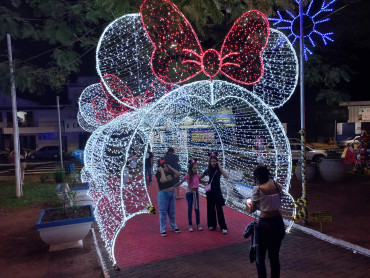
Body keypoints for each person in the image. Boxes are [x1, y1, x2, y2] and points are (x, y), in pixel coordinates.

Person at [246, 165, 285, 278]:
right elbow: (271, 205)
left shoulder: (257, 189)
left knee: (260, 257)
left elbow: (252, 209)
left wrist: (247, 205)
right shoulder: (278, 186)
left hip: (265, 224)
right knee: (274, 257)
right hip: (278, 222)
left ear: (257, 176)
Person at [200, 153, 229, 234]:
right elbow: (200, 178)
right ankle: (212, 224)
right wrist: (204, 182)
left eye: (214, 161)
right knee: (210, 208)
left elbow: (226, 176)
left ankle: (223, 226)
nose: (213, 163)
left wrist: (219, 166)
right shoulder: (208, 170)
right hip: (210, 192)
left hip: (217, 191)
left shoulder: (218, 169)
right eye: (211, 161)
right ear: (210, 162)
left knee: (219, 209)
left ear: (217, 162)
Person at [175, 159, 206, 232]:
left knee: (197, 209)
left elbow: (201, 182)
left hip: (196, 193)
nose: (196, 169)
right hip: (189, 193)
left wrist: (208, 182)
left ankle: (198, 224)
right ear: (191, 169)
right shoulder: (187, 176)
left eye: (196, 168)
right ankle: (190, 224)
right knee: (190, 209)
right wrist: (174, 186)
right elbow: (181, 182)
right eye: (194, 168)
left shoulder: (198, 175)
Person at [155, 158, 181, 237]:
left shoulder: (169, 172)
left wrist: (170, 168)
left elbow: (178, 174)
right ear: (160, 168)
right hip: (163, 194)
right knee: (163, 212)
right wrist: (162, 171)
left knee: (171, 212)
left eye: (166, 166)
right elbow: (163, 180)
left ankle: (173, 226)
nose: (166, 167)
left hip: (171, 193)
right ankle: (163, 228)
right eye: (164, 166)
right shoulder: (158, 174)